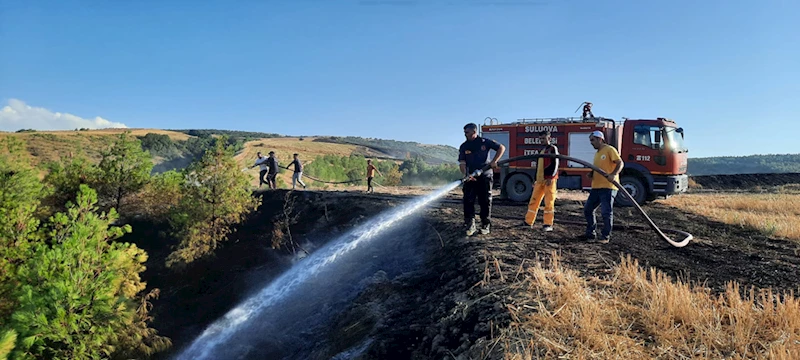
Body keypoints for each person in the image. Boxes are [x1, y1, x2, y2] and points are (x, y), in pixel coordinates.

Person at [459, 122, 505, 236]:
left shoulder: (484, 142)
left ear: (474, 132)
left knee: (485, 200)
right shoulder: (464, 146)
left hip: (485, 175)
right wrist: (466, 174)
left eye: (467, 132)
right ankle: (470, 224)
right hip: (471, 178)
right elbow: (462, 163)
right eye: (464, 132)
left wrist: (494, 161)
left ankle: (485, 225)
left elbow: (501, 148)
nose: (465, 134)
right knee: (468, 200)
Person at [584, 130, 624, 243]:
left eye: (592, 140)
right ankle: (590, 233)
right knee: (588, 209)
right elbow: (599, 167)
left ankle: (605, 236)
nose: (591, 143)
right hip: (596, 187)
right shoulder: (597, 153)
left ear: (600, 139)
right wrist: (592, 173)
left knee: (606, 212)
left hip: (608, 186)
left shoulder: (609, 150)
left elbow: (620, 163)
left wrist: (613, 174)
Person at [524, 130, 559, 232]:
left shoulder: (553, 149)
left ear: (549, 138)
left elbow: (555, 163)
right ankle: (528, 221)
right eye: (540, 139)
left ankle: (548, 224)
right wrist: (536, 179)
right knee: (534, 201)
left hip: (549, 180)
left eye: (543, 138)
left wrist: (551, 177)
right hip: (540, 180)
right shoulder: (542, 150)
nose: (542, 140)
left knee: (549, 202)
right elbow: (539, 166)